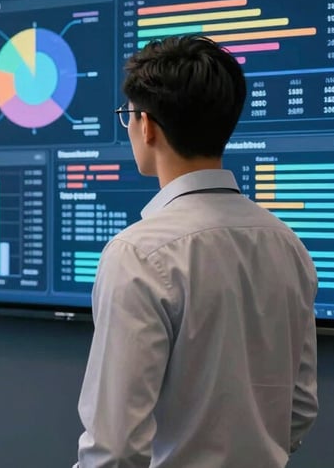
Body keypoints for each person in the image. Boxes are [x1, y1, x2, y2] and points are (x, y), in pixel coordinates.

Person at [75, 36, 318, 467]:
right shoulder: (287, 243)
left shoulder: (137, 253)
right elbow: (298, 409)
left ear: (146, 125)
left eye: (127, 117)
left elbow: (114, 448)